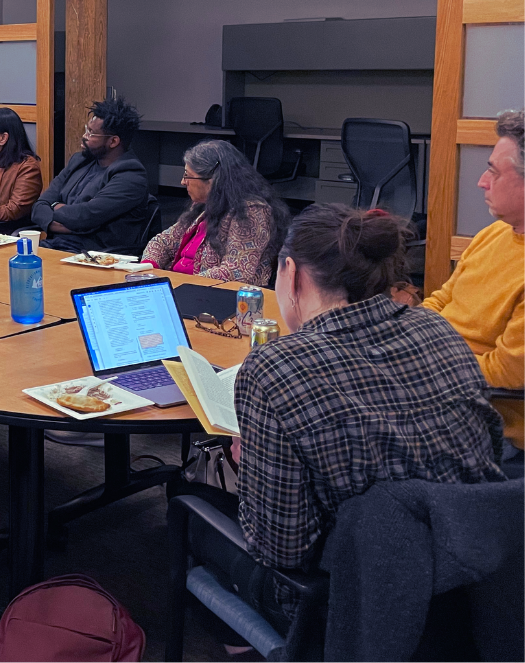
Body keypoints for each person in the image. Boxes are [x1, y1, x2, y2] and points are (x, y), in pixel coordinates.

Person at [181, 204, 505, 645]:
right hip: (471, 571)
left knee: (189, 508)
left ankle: (248, 638)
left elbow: (281, 550)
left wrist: (256, 465)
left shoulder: (277, 367)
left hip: (344, 601)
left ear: (291, 273)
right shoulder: (438, 329)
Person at [423, 108, 524, 453]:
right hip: (439, 387)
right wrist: (411, 343)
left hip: (485, 421)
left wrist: (427, 364)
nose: (482, 181)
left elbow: (506, 375)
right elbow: (441, 300)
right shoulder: (494, 233)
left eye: (494, 171)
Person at [141, 139, 289, 286]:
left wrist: (180, 282)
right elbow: (163, 241)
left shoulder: (251, 212)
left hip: (211, 297)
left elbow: (236, 272)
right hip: (179, 287)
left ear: (212, 180)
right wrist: (148, 269)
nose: (183, 182)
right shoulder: (203, 205)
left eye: (187, 175)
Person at [30, 98, 157, 254]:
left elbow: (85, 217)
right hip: (55, 246)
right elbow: (39, 206)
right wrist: (71, 221)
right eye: (87, 129)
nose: (84, 136)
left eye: (91, 133)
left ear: (113, 141)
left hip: (92, 255)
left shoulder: (131, 175)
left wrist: (53, 208)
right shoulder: (79, 160)